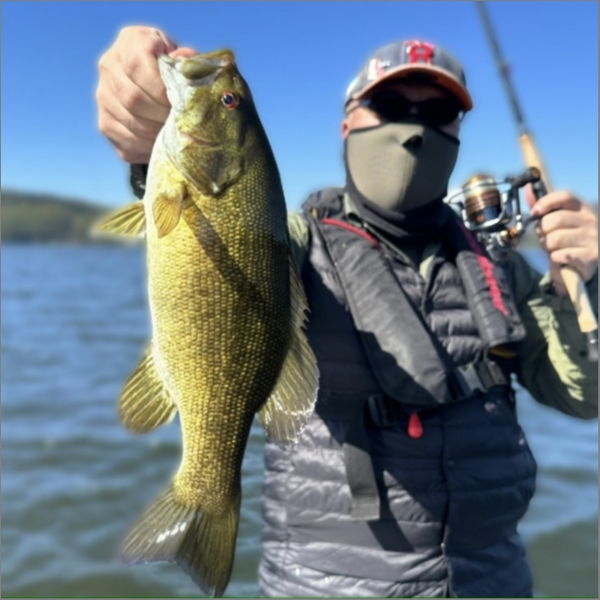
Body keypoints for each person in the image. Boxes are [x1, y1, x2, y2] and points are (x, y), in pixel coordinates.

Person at [96, 27, 598, 598]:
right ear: (347, 123)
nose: (414, 127)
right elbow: (233, 242)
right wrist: (146, 147)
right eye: (390, 104)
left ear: (458, 130)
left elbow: (584, 396)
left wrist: (586, 285)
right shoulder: (303, 241)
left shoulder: (497, 264)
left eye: (439, 111)